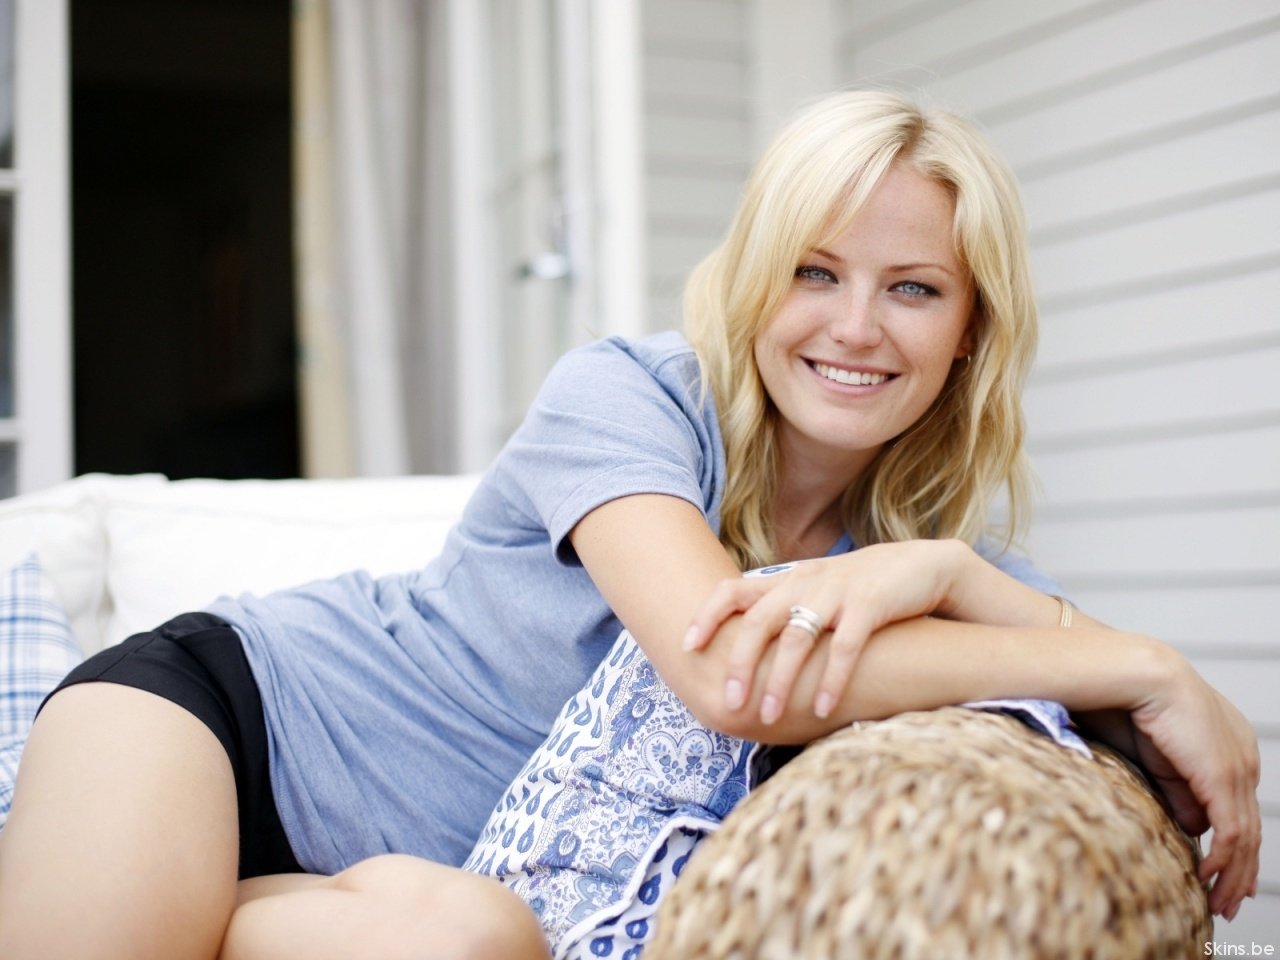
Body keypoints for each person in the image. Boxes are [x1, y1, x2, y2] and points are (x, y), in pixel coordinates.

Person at [0, 89, 1259, 960]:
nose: (855, 326)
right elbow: (729, 664)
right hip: (225, 722)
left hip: (419, 903)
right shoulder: (627, 395)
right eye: (815, 270)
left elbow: (1093, 733)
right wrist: (1140, 659)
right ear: (756, 273)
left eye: (914, 289)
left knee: (482, 939)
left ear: (969, 333)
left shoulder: (925, 559)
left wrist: (944, 567)